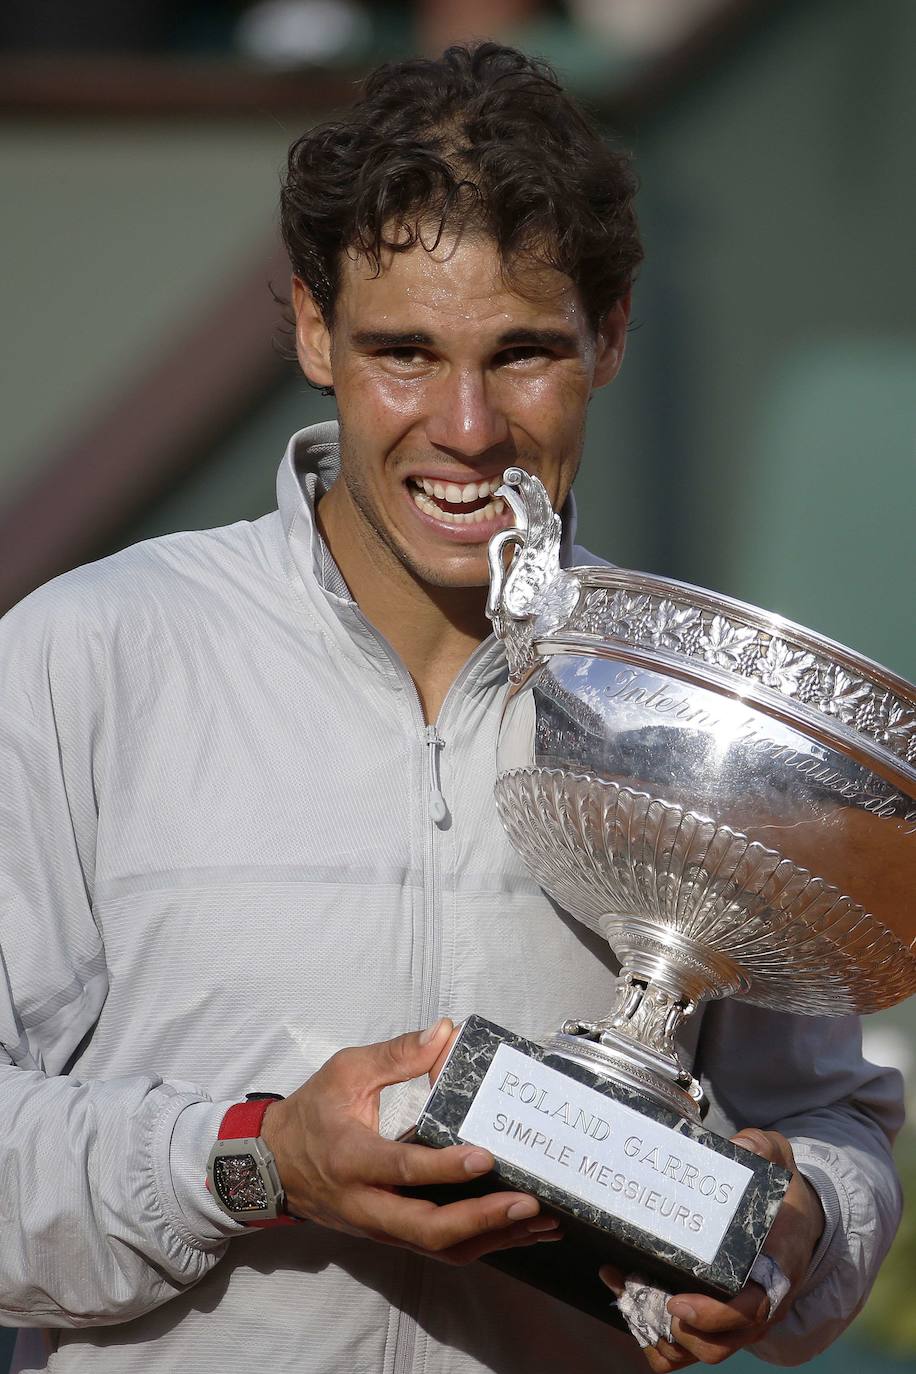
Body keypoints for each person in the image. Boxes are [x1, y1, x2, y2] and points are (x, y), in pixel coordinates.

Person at [0, 41, 903, 1374]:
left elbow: (829, 1118)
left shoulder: (696, 703)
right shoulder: (87, 655)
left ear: (611, 330)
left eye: (525, 351)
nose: (467, 426)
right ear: (313, 329)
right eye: (403, 352)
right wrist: (254, 1159)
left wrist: (798, 1226)